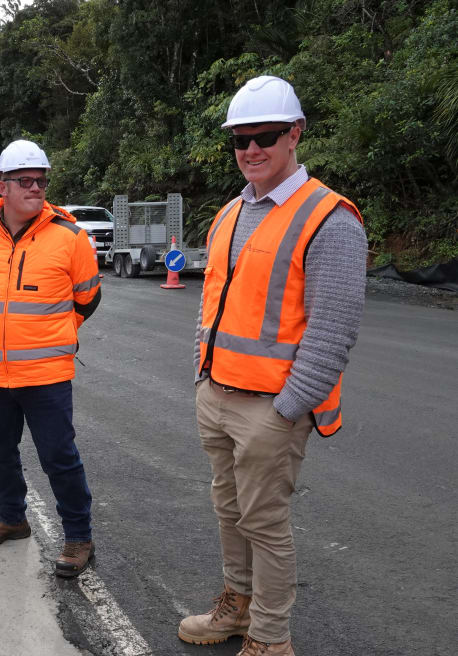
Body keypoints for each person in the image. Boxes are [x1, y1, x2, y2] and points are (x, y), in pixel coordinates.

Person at [179, 76, 366, 656]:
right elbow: (215, 301)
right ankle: (236, 607)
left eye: (265, 136)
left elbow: (332, 330)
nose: (251, 150)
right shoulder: (232, 212)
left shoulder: (330, 219)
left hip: (271, 409)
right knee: (229, 511)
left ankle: (270, 638)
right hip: (218, 395)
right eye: (241, 139)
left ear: (296, 135)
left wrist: (289, 409)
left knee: (265, 523)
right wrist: (202, 374)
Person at [0, 139, 101, 578]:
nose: (36, 188)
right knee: (0, 451)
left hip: (46, 374)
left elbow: (87, 298)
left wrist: (55, 333)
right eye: (25, 180)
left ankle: (78, 537)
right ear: (2, 185)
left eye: (41, 180)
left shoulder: (70, 238)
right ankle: (12, 518)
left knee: (59, 456)